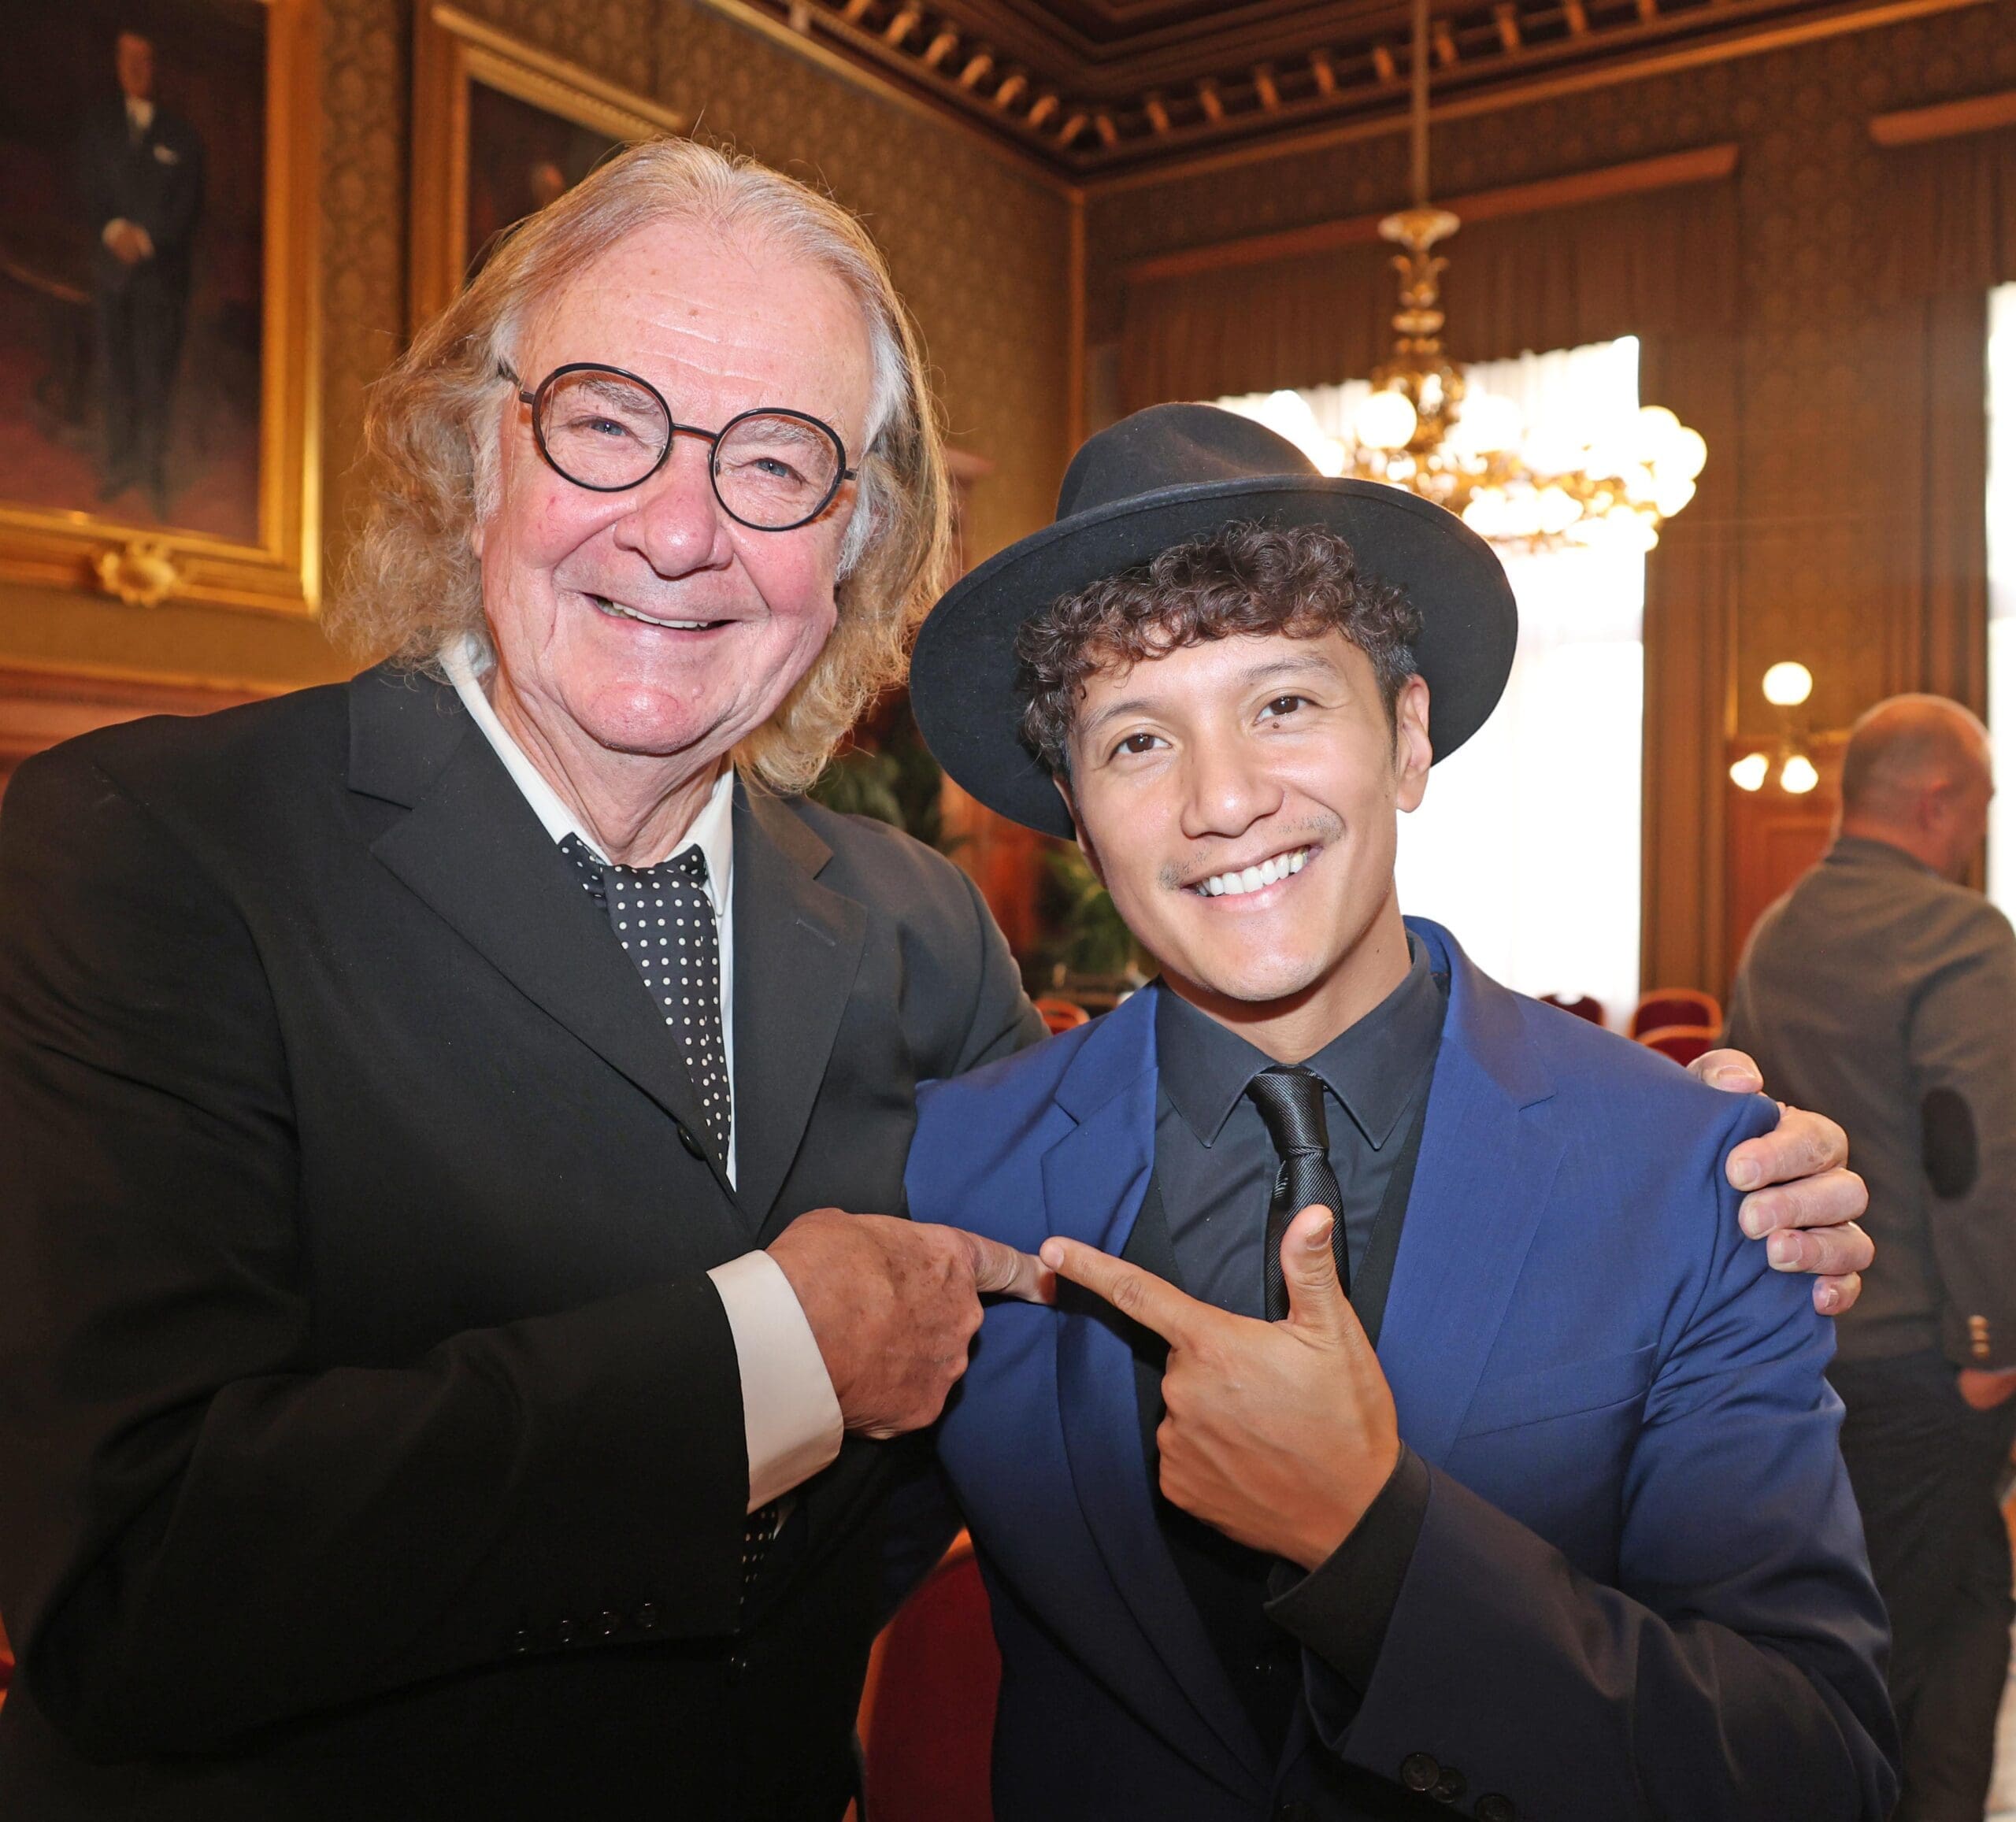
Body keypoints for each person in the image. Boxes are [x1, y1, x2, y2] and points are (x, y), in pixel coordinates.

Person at [0, 139, 1866, 1816]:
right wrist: (769, 1352)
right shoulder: (155, 847)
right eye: (606, 420)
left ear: (850, 544)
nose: (680, 526)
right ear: (474, 450)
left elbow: (1809, 1740)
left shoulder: (911, 935)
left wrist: (1686, 1165)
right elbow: (128, 1580)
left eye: (772, 460)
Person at [902, 403, 1897, 1822]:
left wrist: (1375, 1548)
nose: (1224, 799)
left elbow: (1813, 1769)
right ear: (1073, 805)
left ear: (1409, 736)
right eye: (1136, 740)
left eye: (1284, 704)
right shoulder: (955, 1165)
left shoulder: (1693, 1175)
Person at [1728, 694, 2016, 1822]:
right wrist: (1991, 1339)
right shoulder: (1960, 933)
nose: (1983, 825)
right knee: (1899, 1646)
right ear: (1937, 801)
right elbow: (1973, 1154)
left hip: (1805, 1342)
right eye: (1983, 803)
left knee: (1956, 1603)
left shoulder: (1777, 928)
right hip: (1930, 1353)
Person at [77, 29, 205, 520]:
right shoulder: (98, 128)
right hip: (111, 273)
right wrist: (114, 231)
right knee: (115, 374)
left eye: (144, 60)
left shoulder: (183, 137)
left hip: (161, 280)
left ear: (158, 67)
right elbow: (87, 189)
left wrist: (146, 239)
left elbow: (187, 207)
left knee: (155, 378)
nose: (135, 69)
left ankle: (151, 471)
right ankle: (119, 466)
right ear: (116, 63)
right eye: (127, 59)